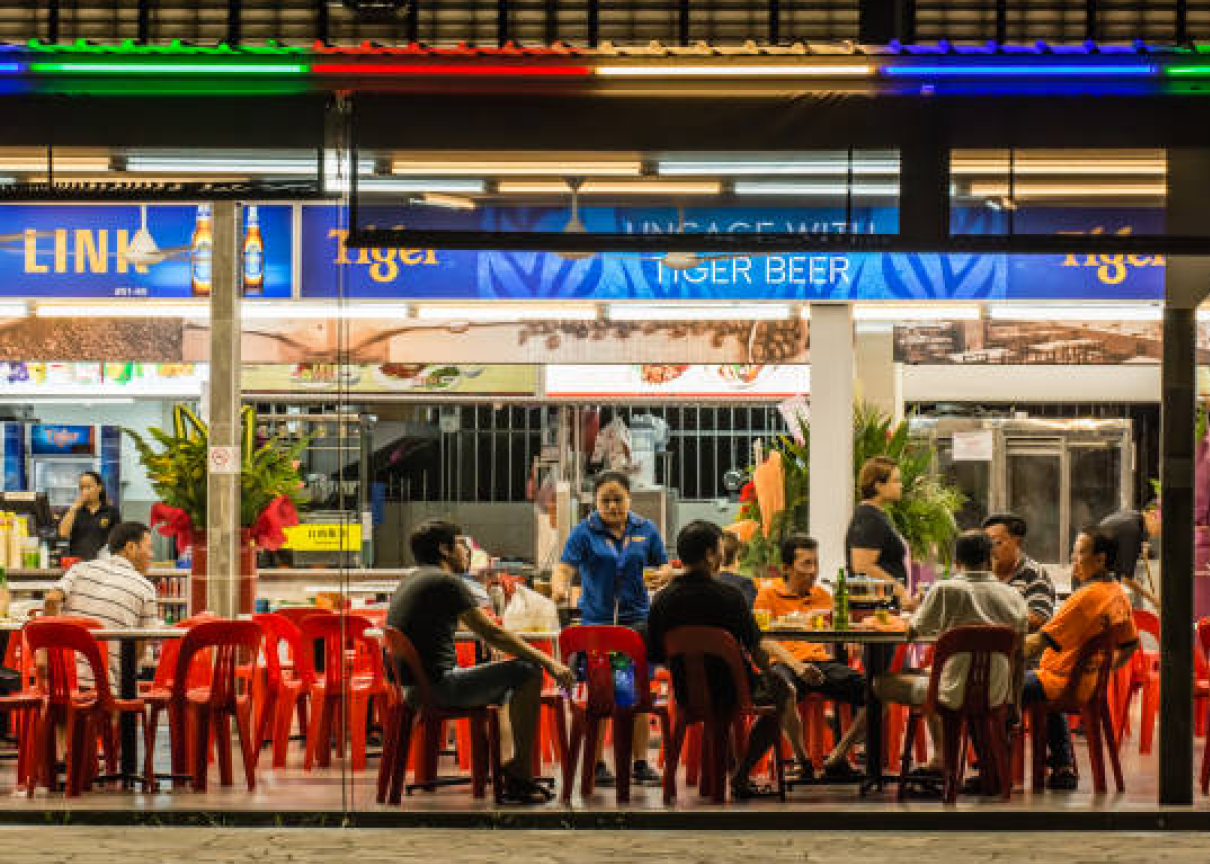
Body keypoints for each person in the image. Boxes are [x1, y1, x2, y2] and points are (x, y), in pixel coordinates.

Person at [387, 518, 575, 804]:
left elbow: (465, 625)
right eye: (461, 544)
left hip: (413, 689)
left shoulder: (413, 579)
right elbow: (492, 632)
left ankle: (507, 767)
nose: (468, 552)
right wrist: (551, 662)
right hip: (439, 688)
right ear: (444, 549)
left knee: (507, 681)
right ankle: (519, 778)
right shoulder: (445, 582)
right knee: (527, 671)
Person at [645, 520, 796, 799]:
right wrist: (774, 671)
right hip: (732, 693)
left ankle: (724, 772)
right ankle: (741, 774)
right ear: (710, 554)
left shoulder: (662, 600)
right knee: (783, 691)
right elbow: (755, 647)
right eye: (719, 549)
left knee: (718, 712)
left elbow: (655, 654)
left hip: (684, 693)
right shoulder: (730, 597)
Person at [876, 531, 1029, 791]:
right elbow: (1020, 655)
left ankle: (931, 763)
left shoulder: (944, 590)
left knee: (880, 683)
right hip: (996, 694)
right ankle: (955, 766)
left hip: (949, 694)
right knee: (935, 675)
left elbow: (913, 631)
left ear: (957, 562)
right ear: (990, 559)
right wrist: (1015, 703)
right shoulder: (1013, 596)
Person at [553, 470, 672, 786]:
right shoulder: (584, 532)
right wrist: (559, 588)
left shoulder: (645, 529)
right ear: (595, 502)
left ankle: (640, 763)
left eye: (618, 499)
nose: (612, 506)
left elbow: (663, 563)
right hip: (598, 625)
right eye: (605, 500)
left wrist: (665, 573)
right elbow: (564, 568)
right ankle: (597, 764)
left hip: (637, 625)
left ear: (629, 499)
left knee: (636, 691)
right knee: (602, 693)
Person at [1021, 525, 1139, 790]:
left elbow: (1036, 644)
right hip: (1084, 684)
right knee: (1043, 683)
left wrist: (996, 649)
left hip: (1060, 683)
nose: (1074, 559)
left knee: (994, 687)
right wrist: (1101, 671)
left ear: (1100, 559)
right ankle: (1062, 765)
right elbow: (1130, 645)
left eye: (1079, 553)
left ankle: (993, 769)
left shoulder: (1085, 598)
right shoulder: (1118, 593)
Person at [754, 533, 869, 781]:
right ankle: (802, 761)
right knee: (783, 690)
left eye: (816, 563)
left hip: (821, 663)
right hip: (785, 662)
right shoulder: (767, 594)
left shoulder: (823, 596)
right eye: (806, 564)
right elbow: (762, 639)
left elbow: (840, 628)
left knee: (877, 692)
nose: (814, 571)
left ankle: (837, 756)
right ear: (786, 568)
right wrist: (797, 666)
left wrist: (852, 637)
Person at [42, 521, 158, 688]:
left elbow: (51, 600)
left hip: (64, 684)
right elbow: (138, 652)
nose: (152, 555)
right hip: (105, 688)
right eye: (149, 548)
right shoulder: (145, 587)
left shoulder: (80, 569)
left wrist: (47, 656)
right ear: (131, 547)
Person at [846, 457, 909, 605]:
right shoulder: (869, 517)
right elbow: (862, 567)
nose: (901, 485)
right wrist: (899, 589)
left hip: (882, 603)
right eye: (896, 481)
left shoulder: (875, 515)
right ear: (879, 486)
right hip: (874, 606)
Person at [982, 513, 1056, 632]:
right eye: (986, 544)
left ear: (1017, 542)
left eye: (997, 542)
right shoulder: (981, 571)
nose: (990, 549)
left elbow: (1038, 620)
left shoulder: (1034, 573)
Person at [1100, 502, 1161, 609]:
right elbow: (1125, 578)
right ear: (1152, 514)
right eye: (1161, 525)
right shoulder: (1133, 530)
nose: (1160, 531)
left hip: (1097, 575)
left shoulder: (1133, 517)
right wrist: (1152, 599)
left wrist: (1142, 544)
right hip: (1090, 579)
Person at [57, 470, 121, 562]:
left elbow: (118, 540)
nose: (84, 491)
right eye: (81, 488)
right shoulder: (73, 511)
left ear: (99, 488)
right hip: (77, 562)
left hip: (103, 563)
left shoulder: (111, 511)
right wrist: (74, 508)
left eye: (88, 487)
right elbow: (63, 533)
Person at [718, 532, 757, 609]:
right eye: (739, 557)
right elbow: (746, 611)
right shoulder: (745, 584)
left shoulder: (701, 583)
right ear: (735, 557)